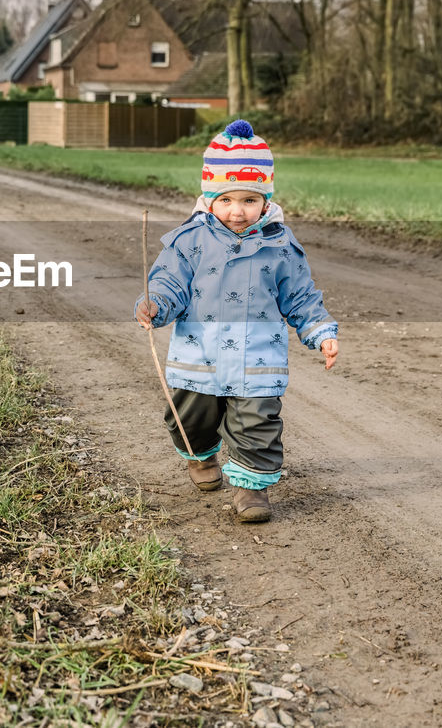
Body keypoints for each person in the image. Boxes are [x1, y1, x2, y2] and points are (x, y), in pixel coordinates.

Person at [134, 120, 339, 523]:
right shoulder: (188, 240)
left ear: (266, 201)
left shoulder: (281, 245)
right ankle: (200, 456)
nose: (237, 211)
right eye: (226, 199)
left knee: (257, 422)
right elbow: (168, 283)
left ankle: (251, 489)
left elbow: (300, 295)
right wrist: (155, 303)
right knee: (190, 419)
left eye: (249, 199)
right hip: (199, 356)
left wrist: (320, 331)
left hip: (257, 359)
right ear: (209, 198)